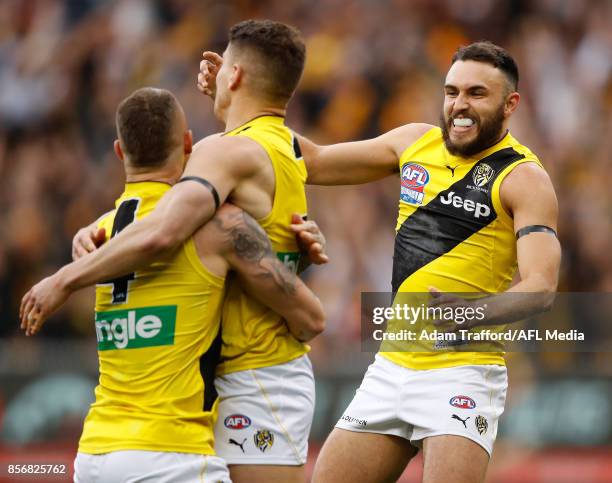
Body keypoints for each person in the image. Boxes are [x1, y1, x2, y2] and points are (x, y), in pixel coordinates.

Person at [21, 20, 322, 483]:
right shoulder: (217, 225)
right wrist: (290, 252)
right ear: (189, 146)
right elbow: (311, 318)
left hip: (94, 454)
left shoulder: (99, 235)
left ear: (120, 152)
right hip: (172, 455)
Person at [293, 42, 560, 483]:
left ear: (510, 104)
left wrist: (473, 312)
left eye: (477, 93)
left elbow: (542, 287)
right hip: (391, 366)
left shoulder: (523, 177)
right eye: (452, 91)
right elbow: (316, 161)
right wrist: (246, 110)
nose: (459, 105)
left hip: (461, 373)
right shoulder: (413, 142)